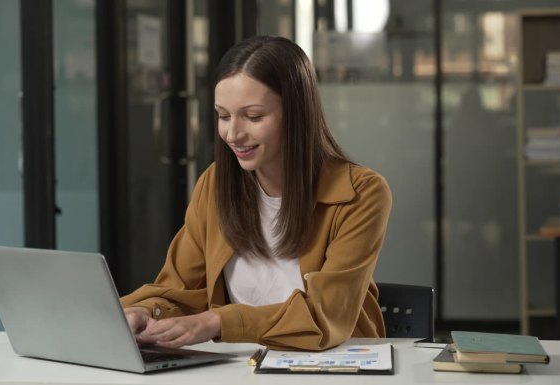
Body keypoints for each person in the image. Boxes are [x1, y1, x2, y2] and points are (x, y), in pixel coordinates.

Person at [121, 35, 391, 351]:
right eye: (223, 116)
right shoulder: (216, 184)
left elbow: (324, 316)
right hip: (240, 364)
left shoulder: (360, 193)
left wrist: (216, 321)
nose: (233, 134)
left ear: (297, 114)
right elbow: (178, 287)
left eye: (253, 116)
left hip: (335, 364)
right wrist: (143, 311)